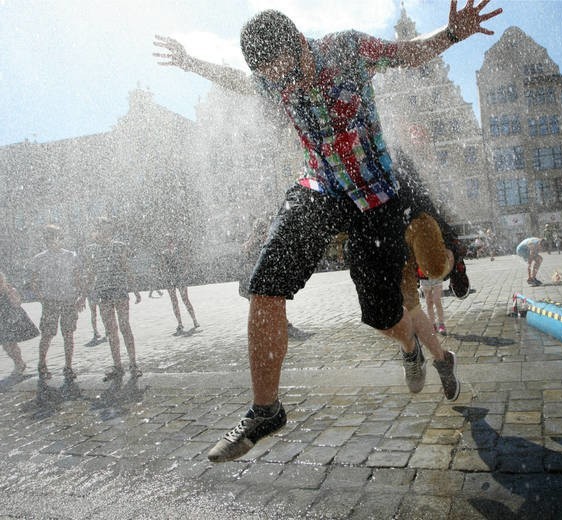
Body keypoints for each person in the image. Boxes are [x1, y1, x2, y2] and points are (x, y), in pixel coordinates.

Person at [154, 2, 502, 463]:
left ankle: (412, 346)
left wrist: (451, 35)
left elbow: (407, 52)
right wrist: (189, 62)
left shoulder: (347, 48)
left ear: (298, 44)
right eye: (269, 77)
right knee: (264, 284)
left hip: (376, 198)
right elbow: (237, 82)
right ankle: (265, 410)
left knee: (382, 316)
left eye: (281, 72)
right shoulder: (271, 78)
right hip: (319, 187)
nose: (280, 84)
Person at [83, 218, 142, 381]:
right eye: (104, 230)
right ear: (98, 231)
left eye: (110, 230)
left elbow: (126, 267)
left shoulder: (119, 246)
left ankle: (133, 364)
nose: (107, 234)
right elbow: (90, 273)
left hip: (120, 290)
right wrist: (84, 296)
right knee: (111, 330)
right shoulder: (91, 250)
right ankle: (118, 366)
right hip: (104, 293)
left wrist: (135, 289)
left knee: (125, 326)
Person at [26, 225, 85, 383]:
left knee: (68, 334)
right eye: (48, 238)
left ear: (60, 238)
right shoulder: (39, 258)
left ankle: (68, 366)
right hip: (50, 301)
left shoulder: (71, 256)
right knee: (47, 334)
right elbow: (33, 280)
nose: (51, 241)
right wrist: (41, 296)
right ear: (45, 240)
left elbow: (79, 278)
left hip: (68, 300)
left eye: (54, 237)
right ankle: (42, 364)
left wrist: (81, 297)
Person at [158, 235, 199, 336]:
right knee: (175, 301)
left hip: (178, 277)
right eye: (168, 241)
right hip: (171, 278)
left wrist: (185, 272)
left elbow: (185, 262)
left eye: (170, 240)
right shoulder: (164, 253)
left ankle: (194, 319)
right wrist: (164, 275)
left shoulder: (178, 251)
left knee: (185, 299)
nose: (169, 243)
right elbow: (162, 267)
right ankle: (180, 323)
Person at [0, 271, 39, 377]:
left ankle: (19, 364)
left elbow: (17, 303)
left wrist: (10, 294)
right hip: (3, 320)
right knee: (6, 345)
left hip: (11, 318)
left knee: (10, 343)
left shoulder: (9, 290)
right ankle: (19, 363)